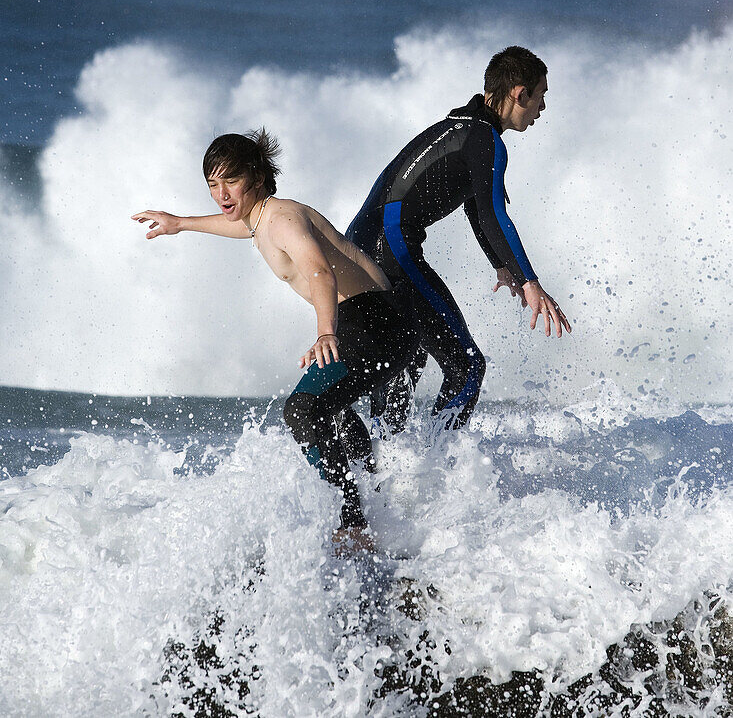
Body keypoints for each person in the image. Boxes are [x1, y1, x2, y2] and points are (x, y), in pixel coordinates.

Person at [131, 130, 418, 553]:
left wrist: (325, 331)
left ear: (258, 177)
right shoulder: (261, 219)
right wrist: (180, 223)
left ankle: (354, 522)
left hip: (376, 323)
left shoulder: (282, 219)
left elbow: (320, 272)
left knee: (303, 410)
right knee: (329, 410)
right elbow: (239, 228)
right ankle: (375, 495)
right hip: (377, 321)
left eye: (230, 181)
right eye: (212, 183)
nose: (221, 194)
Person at [339, 45, 571, 449]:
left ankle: (381, 468)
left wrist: (503, 266)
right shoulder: (484, 140)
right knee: (466, 367)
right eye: (540, 96)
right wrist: (530, 281)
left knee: (402, 359)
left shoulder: (462, 128)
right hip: (391, 251)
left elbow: (474, 206)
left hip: (358, 249)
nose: (543, 107)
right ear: (519, 94)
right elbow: (493, 214)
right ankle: (432, 467)